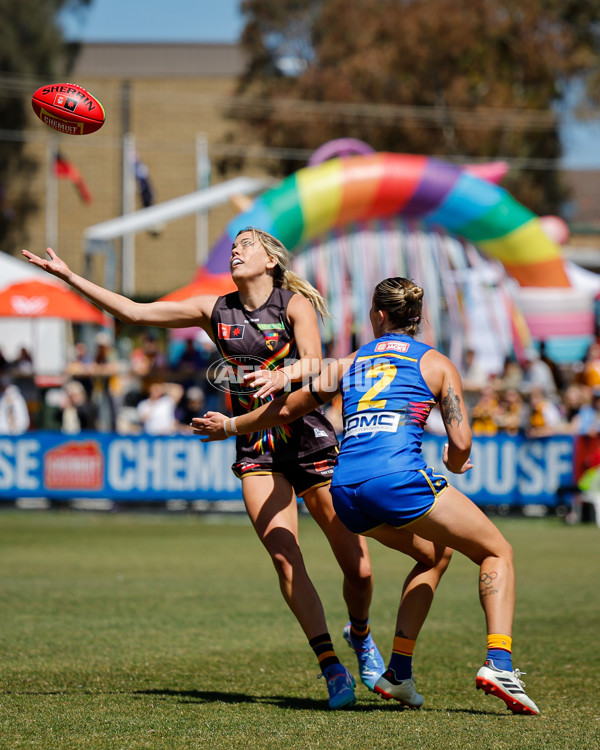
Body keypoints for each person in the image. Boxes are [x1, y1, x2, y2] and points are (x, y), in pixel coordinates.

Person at [22, 230, 451, 710]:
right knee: (286, 558)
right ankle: (332, 668)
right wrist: (69, 277)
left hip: (309, 440)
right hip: (256, 447)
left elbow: (313, 362)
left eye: (247, 244)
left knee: (361, 569)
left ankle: (361, 635)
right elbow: (137, 313)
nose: (236, 249)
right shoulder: (214, 310)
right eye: (235, 244)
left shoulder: (294, 306)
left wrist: (280, 374)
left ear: (270, 260)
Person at [193, 276, 540, 716]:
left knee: (435, 555)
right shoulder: (436, 363)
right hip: (398, 480)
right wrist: (454, 461)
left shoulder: (348, 362)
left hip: (345, 489)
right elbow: (462, 440)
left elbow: (287, 408)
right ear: (417, 315)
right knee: (497, 552)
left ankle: (398, 673)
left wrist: (228, 426)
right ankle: (500, 664)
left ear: (378, 314)